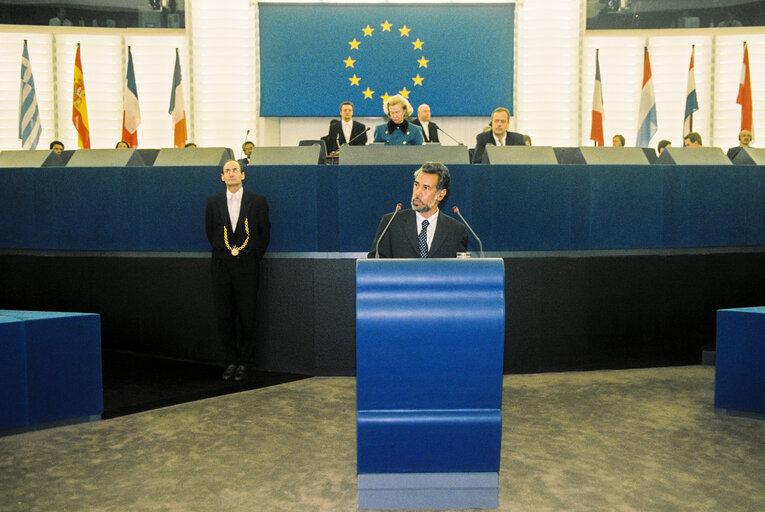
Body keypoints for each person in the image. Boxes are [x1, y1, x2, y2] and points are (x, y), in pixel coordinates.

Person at [205, 159, 271, 382]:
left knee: (247, 315)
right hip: (221, 266)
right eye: (227, 171)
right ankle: (230, 360)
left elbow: (264, 234)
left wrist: (250, 257)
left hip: (247, 267)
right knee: (224, 315)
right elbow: (210, 233)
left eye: (235, 170)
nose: (231, 174)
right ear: (222, 177)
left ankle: (244, 362)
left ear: (243, 175)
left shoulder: (257, 201)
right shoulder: (213, 202)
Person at [368, 161, 467, 258]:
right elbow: (374, 266)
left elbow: (459, 271)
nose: (418, 192)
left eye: (426, 187)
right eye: (416, 185)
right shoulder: (391, 223)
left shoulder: (456, 231)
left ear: (441, 194)